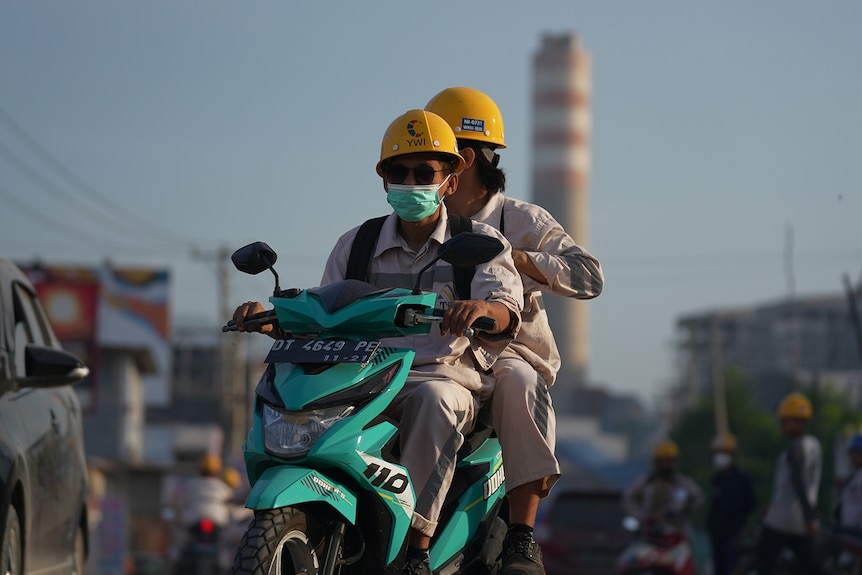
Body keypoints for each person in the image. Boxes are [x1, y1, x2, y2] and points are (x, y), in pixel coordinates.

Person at [233, 108, 524, 575]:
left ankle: (417, 548)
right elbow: (324, 312)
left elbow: (506, 307)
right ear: (383, 178)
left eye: (424, 172)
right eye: (398, 171)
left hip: (438, 373)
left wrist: (482, 310)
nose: (410, 181)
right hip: (363, 375)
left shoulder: (481, 242)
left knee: (436, 400)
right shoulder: (356, 243)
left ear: (451, 179)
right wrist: (271, 319)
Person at [425, 86, 604, 575]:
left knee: (519, 381)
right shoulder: (422, 223)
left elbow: (589, 276)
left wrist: (517, 259)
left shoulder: (520, 220)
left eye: (430, 159)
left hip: (507, 356)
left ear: (460, 159)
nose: (422, 174)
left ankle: (522, 536)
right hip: (435, 356)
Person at [757, 391, 824, 575]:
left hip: (784, 519)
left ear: (797, 421)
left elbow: (799, 481)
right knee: (809, 566)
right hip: (799, 518)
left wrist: (809, 516)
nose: (783, 426)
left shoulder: (796, 447)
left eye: (784, 420)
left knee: (764, 562)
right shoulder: (813, 444)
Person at [622, 440, 704, 535]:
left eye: (669, 461)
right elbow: (628, 498)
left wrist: (683, 512)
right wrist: (641, 516)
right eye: (662, 461)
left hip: (677, 530)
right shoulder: (646, 482)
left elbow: (698, 498)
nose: (665, 465)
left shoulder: (683, 483)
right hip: (649, 530)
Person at [706, 433, 757, 575]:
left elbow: (751, 504)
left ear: (733, 454)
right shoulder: (715, 480)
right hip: (717, 534)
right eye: (717, 453)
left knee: (733, 569)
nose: (720, 457)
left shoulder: (743, 479)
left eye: (724, 453)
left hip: (735, 535)